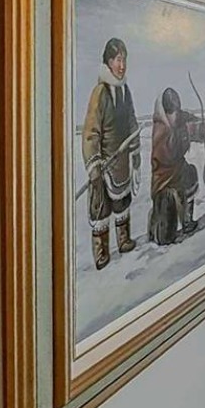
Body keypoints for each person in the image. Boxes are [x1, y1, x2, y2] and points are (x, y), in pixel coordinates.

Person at [82, 37, 141, 270]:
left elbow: (132, 121)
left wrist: (135, 151)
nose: (122, 65)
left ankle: (124, 240)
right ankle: (101, 252)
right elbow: (90, 132)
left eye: (124, 60)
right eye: (118, 60)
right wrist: (94, 165)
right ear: (108, 62)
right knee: (102, 207)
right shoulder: (100, 92)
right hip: (104, 164)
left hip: (122, 161)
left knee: (122, 202)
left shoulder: (125, 91)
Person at [148, 87, 205, 245]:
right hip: (164, 177)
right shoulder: (161, 128)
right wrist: (187, 134)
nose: (176, 116)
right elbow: (172, 154)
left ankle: (187, 221)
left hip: (177, 169)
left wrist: (197, 123)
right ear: (166, 112)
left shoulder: (176, 116)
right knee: (166, 235)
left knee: (191, 174)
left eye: (176, 111)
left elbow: (186, 117)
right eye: (173, 113)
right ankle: (162, 225)